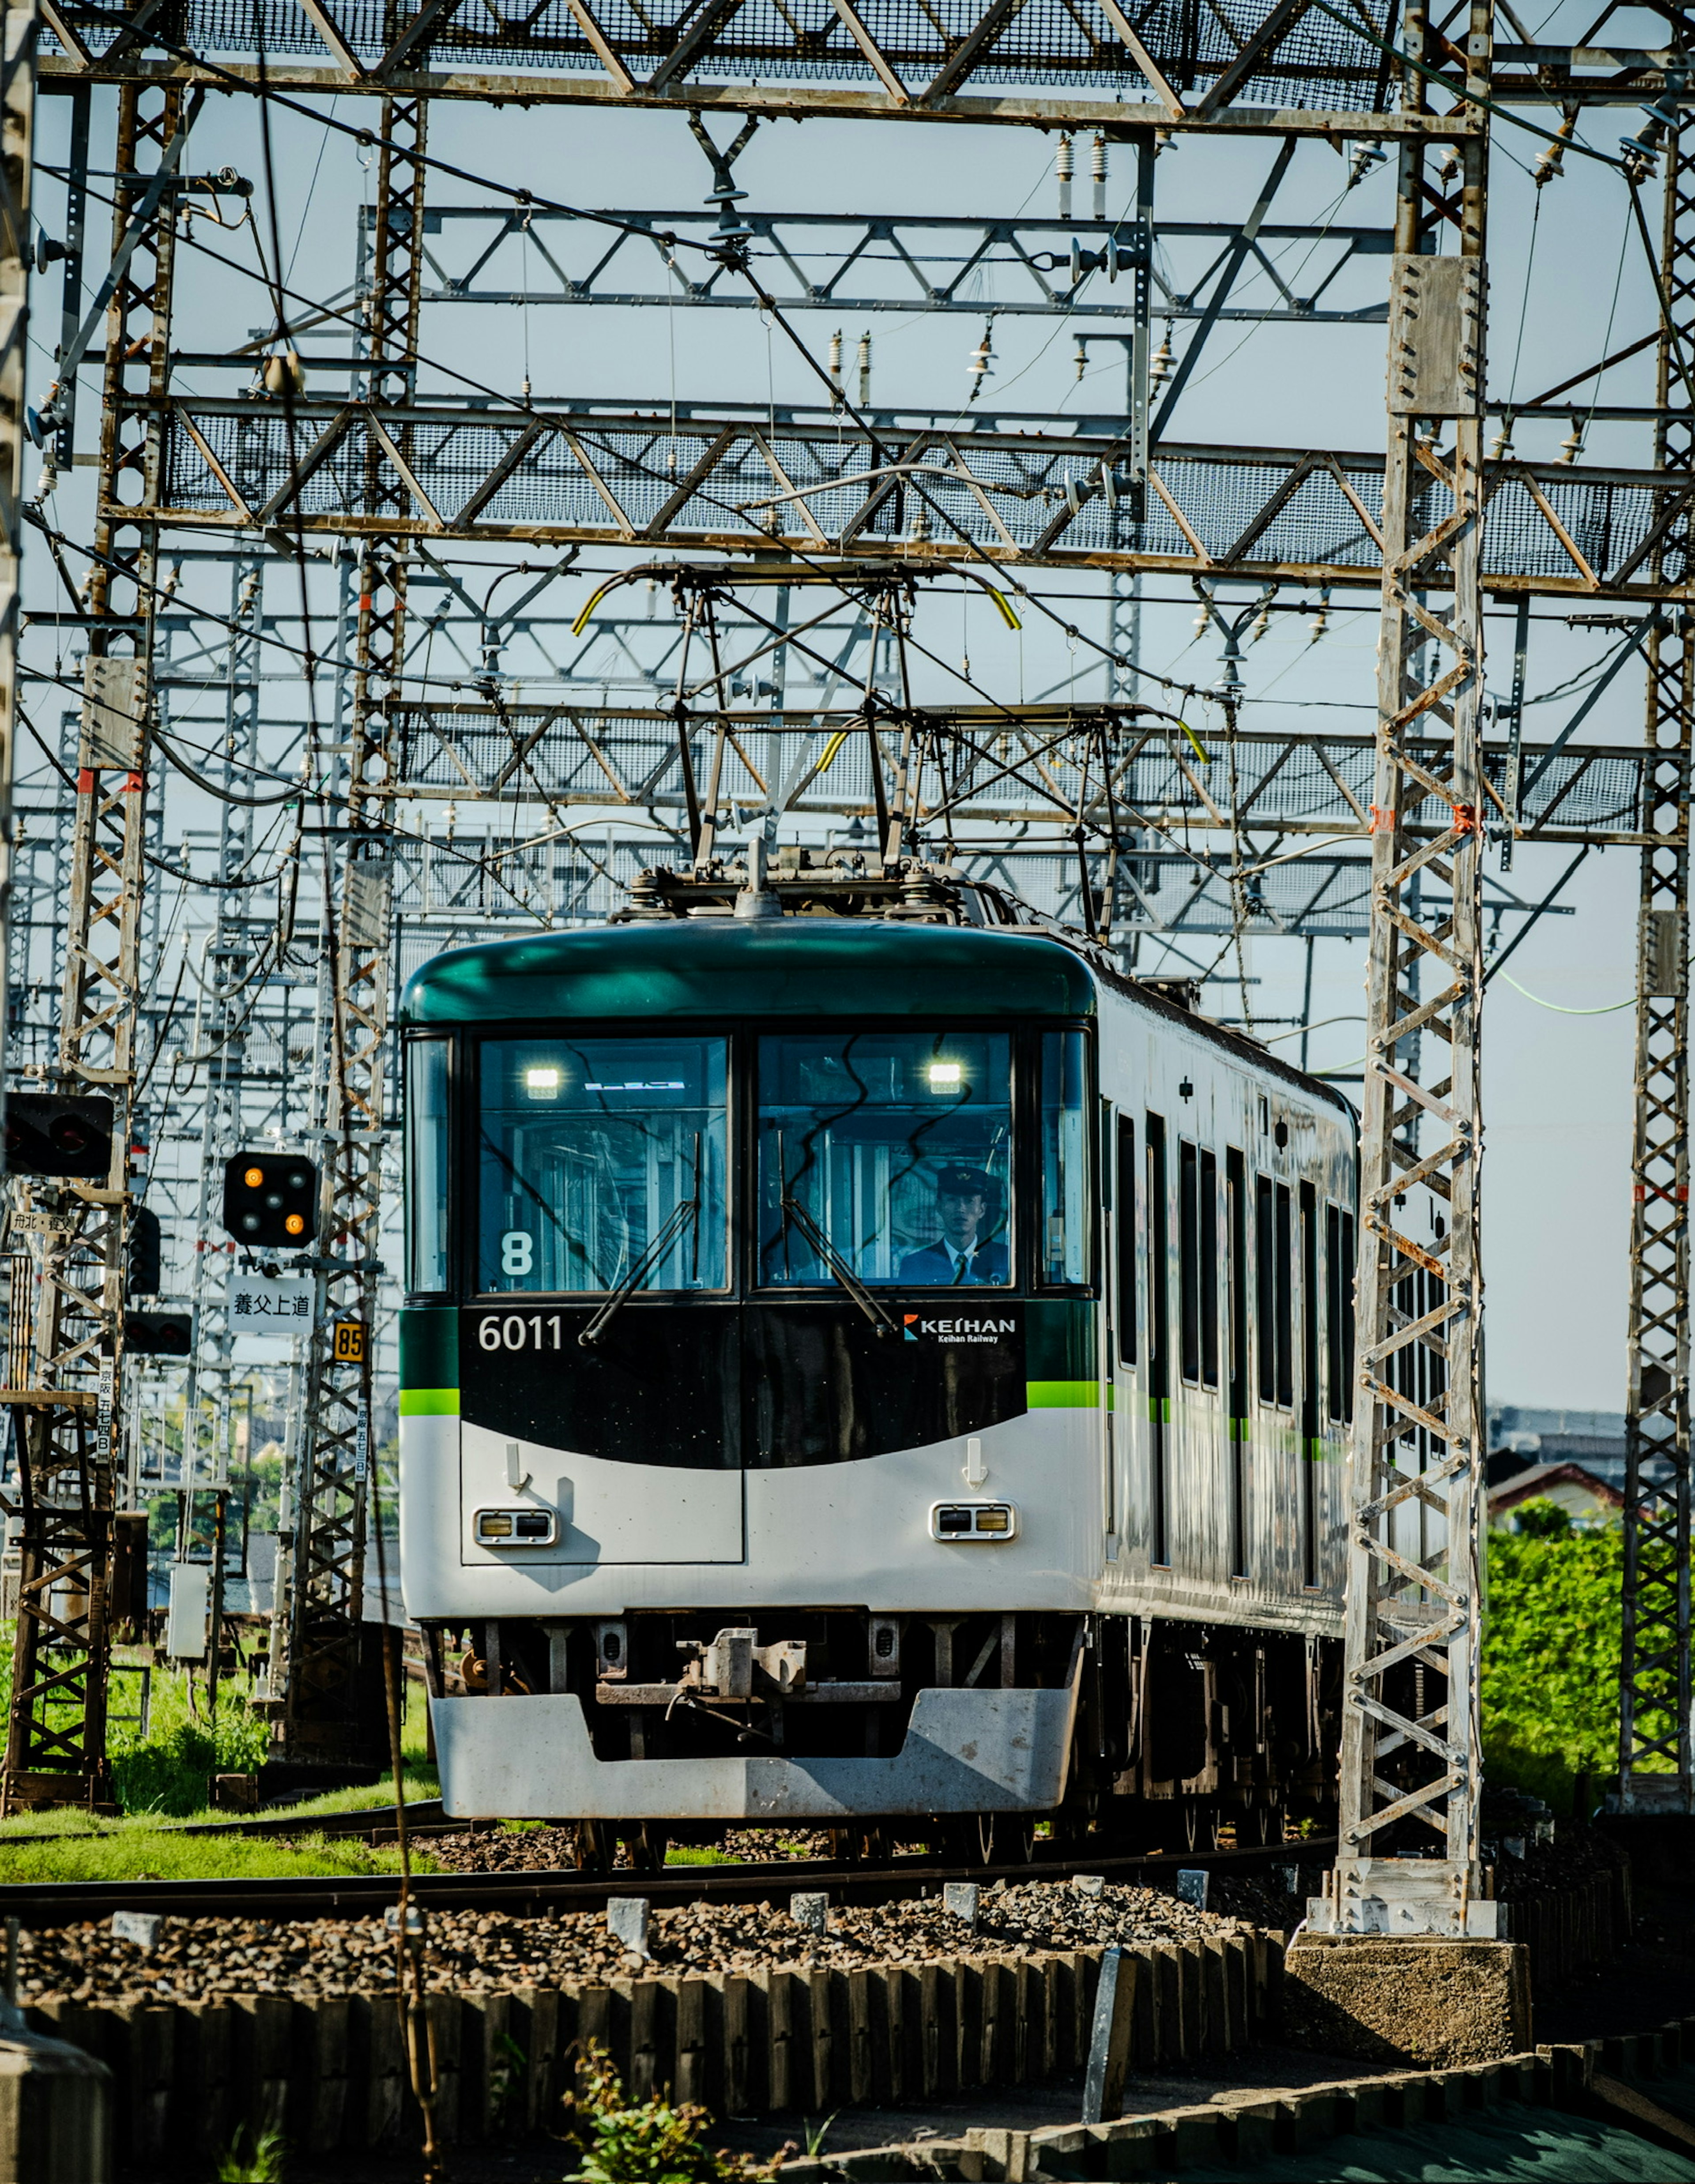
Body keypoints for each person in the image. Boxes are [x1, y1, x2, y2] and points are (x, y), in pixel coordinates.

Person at [899, 1164, 1009, 1285]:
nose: (961, 1209)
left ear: (982, 1210)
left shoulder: (1005, 1259)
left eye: (969, 1201)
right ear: (940, 1207)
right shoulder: (916, 1264)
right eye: (952, 1200)